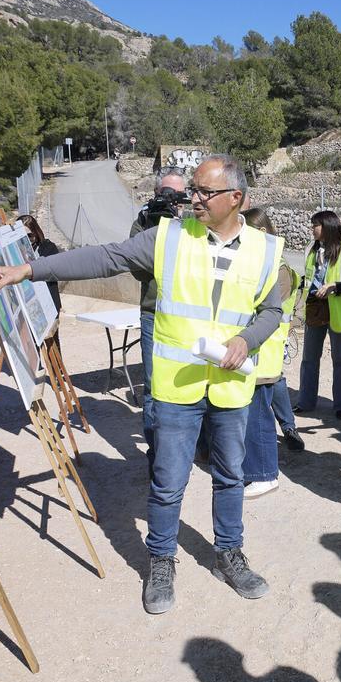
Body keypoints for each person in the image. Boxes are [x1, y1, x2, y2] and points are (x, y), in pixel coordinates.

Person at [0, 155, 284, 615]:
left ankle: (229, 554)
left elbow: (271, 311)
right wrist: (27, 270)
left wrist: (246, 339)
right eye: (193, 189)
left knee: (230, 477)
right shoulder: (168, 237)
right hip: (177, 388)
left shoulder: (265, 249)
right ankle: (160, 560)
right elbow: (105, 257)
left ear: (236, 198)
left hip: (230, 388)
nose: (192, 198)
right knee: (168, 481)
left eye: (203, 192)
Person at [129, 167, 189, 469]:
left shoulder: (192, 222)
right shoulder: (142, 224)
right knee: (153, 387)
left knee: (189, 384)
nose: (173, 200)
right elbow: (137, 269)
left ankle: (190, 447)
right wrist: (158, 230)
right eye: (167, 193)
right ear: (155, 193)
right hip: (154, 313)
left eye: (178, 194)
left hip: (188, 315)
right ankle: (157, 458)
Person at [240, 207, 301, 498]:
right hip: (256, 349)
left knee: (259, 416)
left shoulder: (277, 268)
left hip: (266, 352)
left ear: (262, 233)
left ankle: (264, 474)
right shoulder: (263, 262)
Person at [295, 210, 341, 419]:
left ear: (327, 227)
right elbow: (307, 279)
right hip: (316, 308)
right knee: (309, 358)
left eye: (316, 225)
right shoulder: (311, 250)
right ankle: (305, 403)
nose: (312, 229)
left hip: (339, 313)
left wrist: (334, 286)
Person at [17, 214, 62, 311]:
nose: (25, 239)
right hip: (27, 303)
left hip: (48, 303)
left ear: (36, 232)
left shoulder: (49, 247)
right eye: (21, 236)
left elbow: (50, 272)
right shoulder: (16, 249)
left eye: (29, 235)